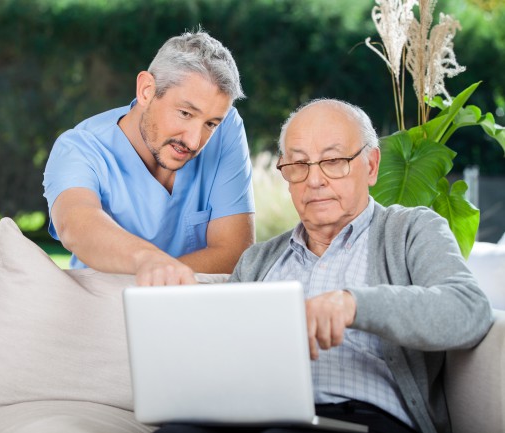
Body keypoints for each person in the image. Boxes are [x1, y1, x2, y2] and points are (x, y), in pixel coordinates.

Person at [156, 99, 494, 433]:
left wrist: (353, 304)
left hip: (361, 416)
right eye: (299, 165)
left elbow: (468, 310)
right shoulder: (258, 260)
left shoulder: (410, 231)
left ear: (372, 166)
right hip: (254, 413)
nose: (314, 180)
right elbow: (222, 353)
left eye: (333, 161)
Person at [43, 30, 255, 286]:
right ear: (146, 90)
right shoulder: (78, 148)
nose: (194, 141)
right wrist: (147, 261)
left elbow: (234, 254)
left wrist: (154, 279)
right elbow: (76, 223)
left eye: (210, 123)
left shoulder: (227, 127)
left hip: (194, 309)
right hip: (107, 308)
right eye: (185, 113)